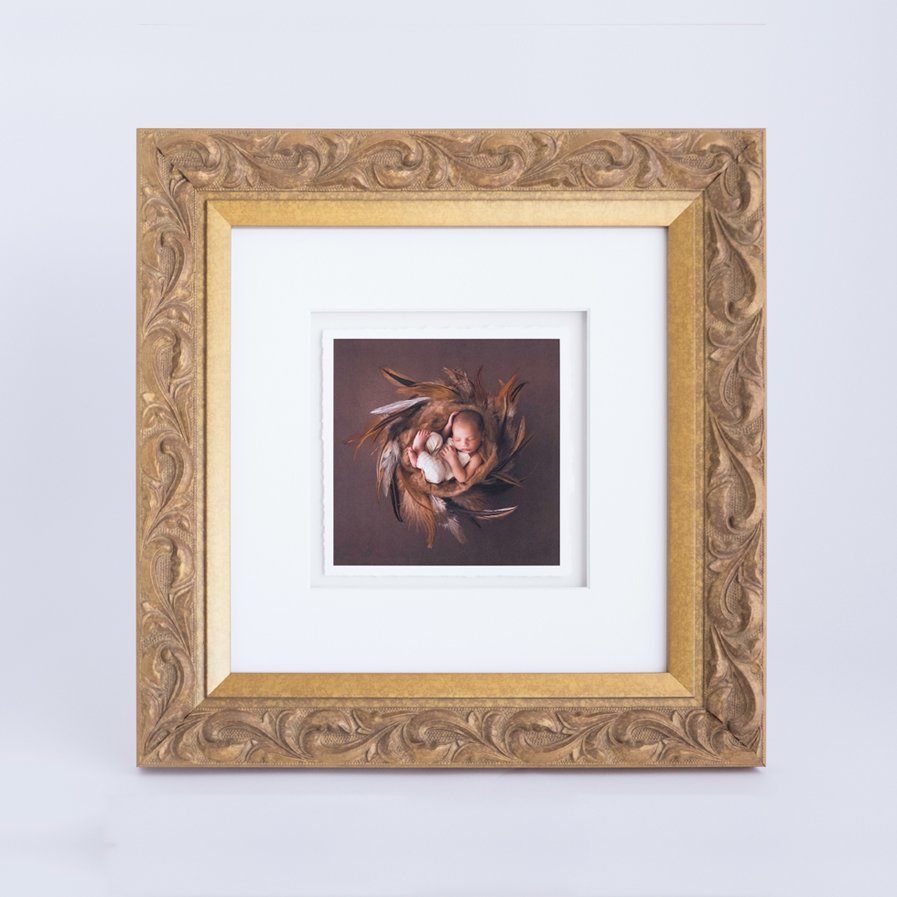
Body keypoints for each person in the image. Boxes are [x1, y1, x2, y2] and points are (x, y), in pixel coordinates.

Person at [405, 410, 485, 485]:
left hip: (440, 471)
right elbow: (443, 439)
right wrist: (448, 425)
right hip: (433, 453)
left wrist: (453, 459)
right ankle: (420, 452)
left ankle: (418, 455)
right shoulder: (453, 440)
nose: (463, 444)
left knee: (437, 474)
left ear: (482, 436)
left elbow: (463, 478)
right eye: (458, 439)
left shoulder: (475, 458)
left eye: (470, 439)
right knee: (438, 438)